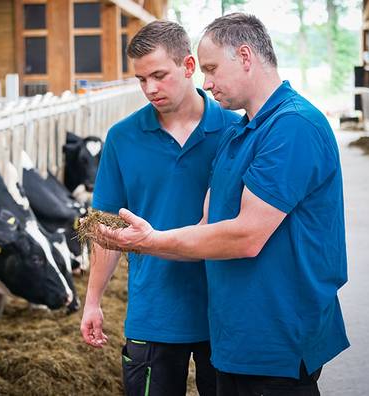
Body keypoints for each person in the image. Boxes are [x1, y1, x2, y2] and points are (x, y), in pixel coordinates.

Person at [93, 13, 349, 396]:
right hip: (236, 338)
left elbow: (246, 237)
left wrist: (149, 242)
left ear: (245, 57)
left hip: (275, 336)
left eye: (211, 68)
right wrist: (132, 252)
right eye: (141, 79)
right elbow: (206, 224)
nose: (207, 82)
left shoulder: (292, 126)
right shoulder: (242, 134)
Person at [79, 20, 240, 396]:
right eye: (141, 79)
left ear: (188, 67)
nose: (150, 88)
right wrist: (92, 302)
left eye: (159, 75)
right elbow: (106, 229)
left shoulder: (235, 130)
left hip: (223, 311)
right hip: (153, 313)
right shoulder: (122, 138)